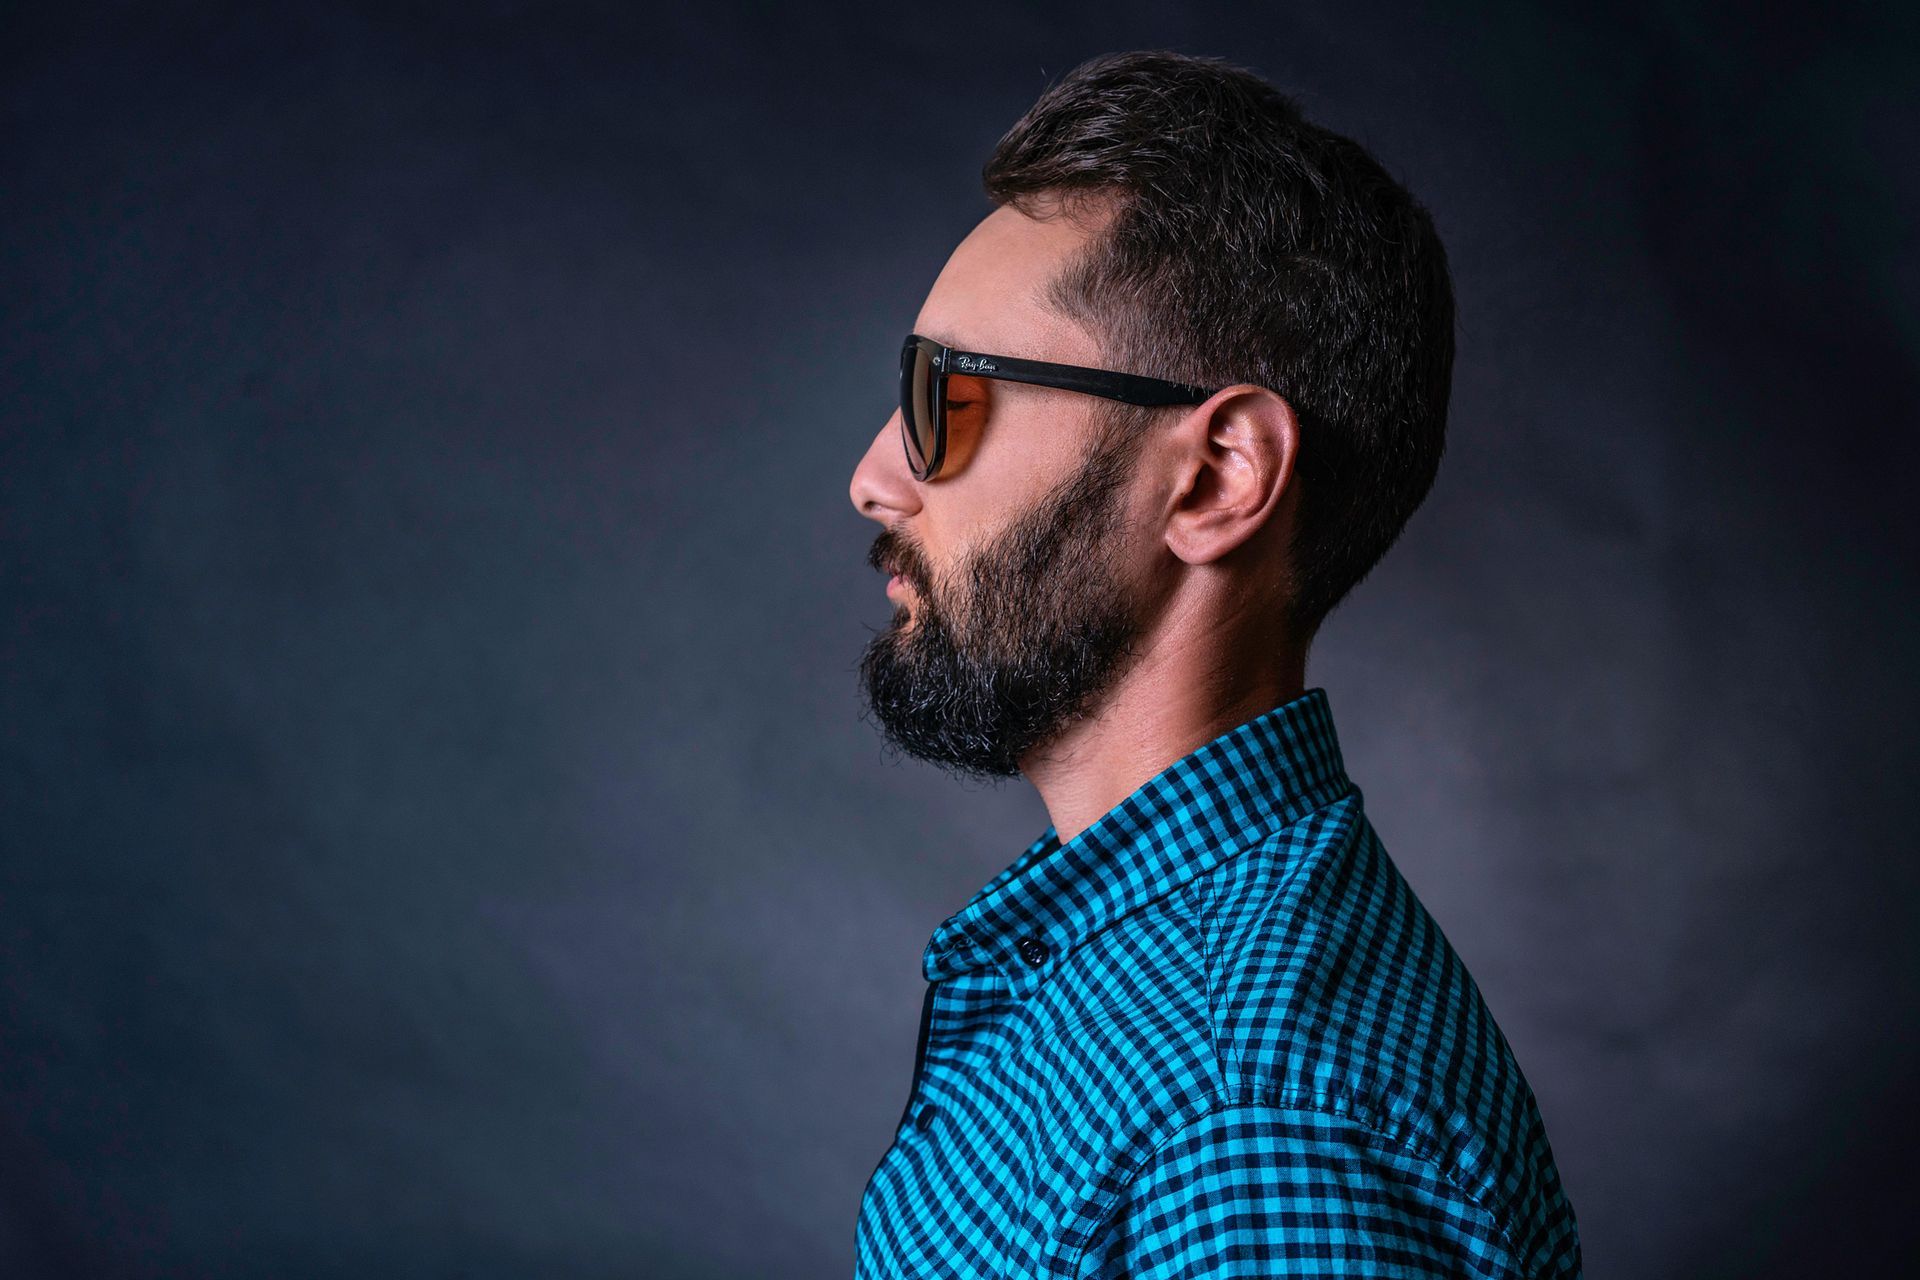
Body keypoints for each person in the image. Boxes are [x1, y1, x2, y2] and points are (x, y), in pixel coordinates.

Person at [846, 49, 1583, 1280]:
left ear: (1218, 475)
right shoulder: (1145, 965)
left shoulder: (1250, 1113)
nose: (875, 475)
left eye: (949, 394)